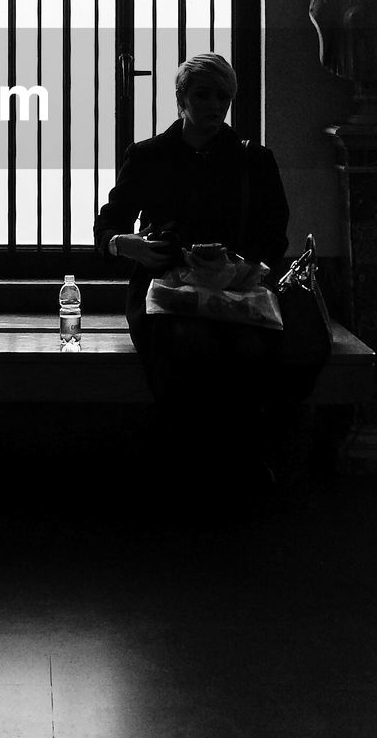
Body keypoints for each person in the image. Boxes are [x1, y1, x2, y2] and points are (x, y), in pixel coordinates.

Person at [94, 53, 296, 504]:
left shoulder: (253, 161)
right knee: (189, 343)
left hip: (236, 288)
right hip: (167, 288)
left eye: (222, 96)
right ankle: (192, 468)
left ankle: (233, 464)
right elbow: (106, 227)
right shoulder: (149, 156)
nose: (213, 105)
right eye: (202, 94)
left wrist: (241, 264)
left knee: (247, 348)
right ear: (181, 98)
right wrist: (131, 246)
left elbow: (273, 234)